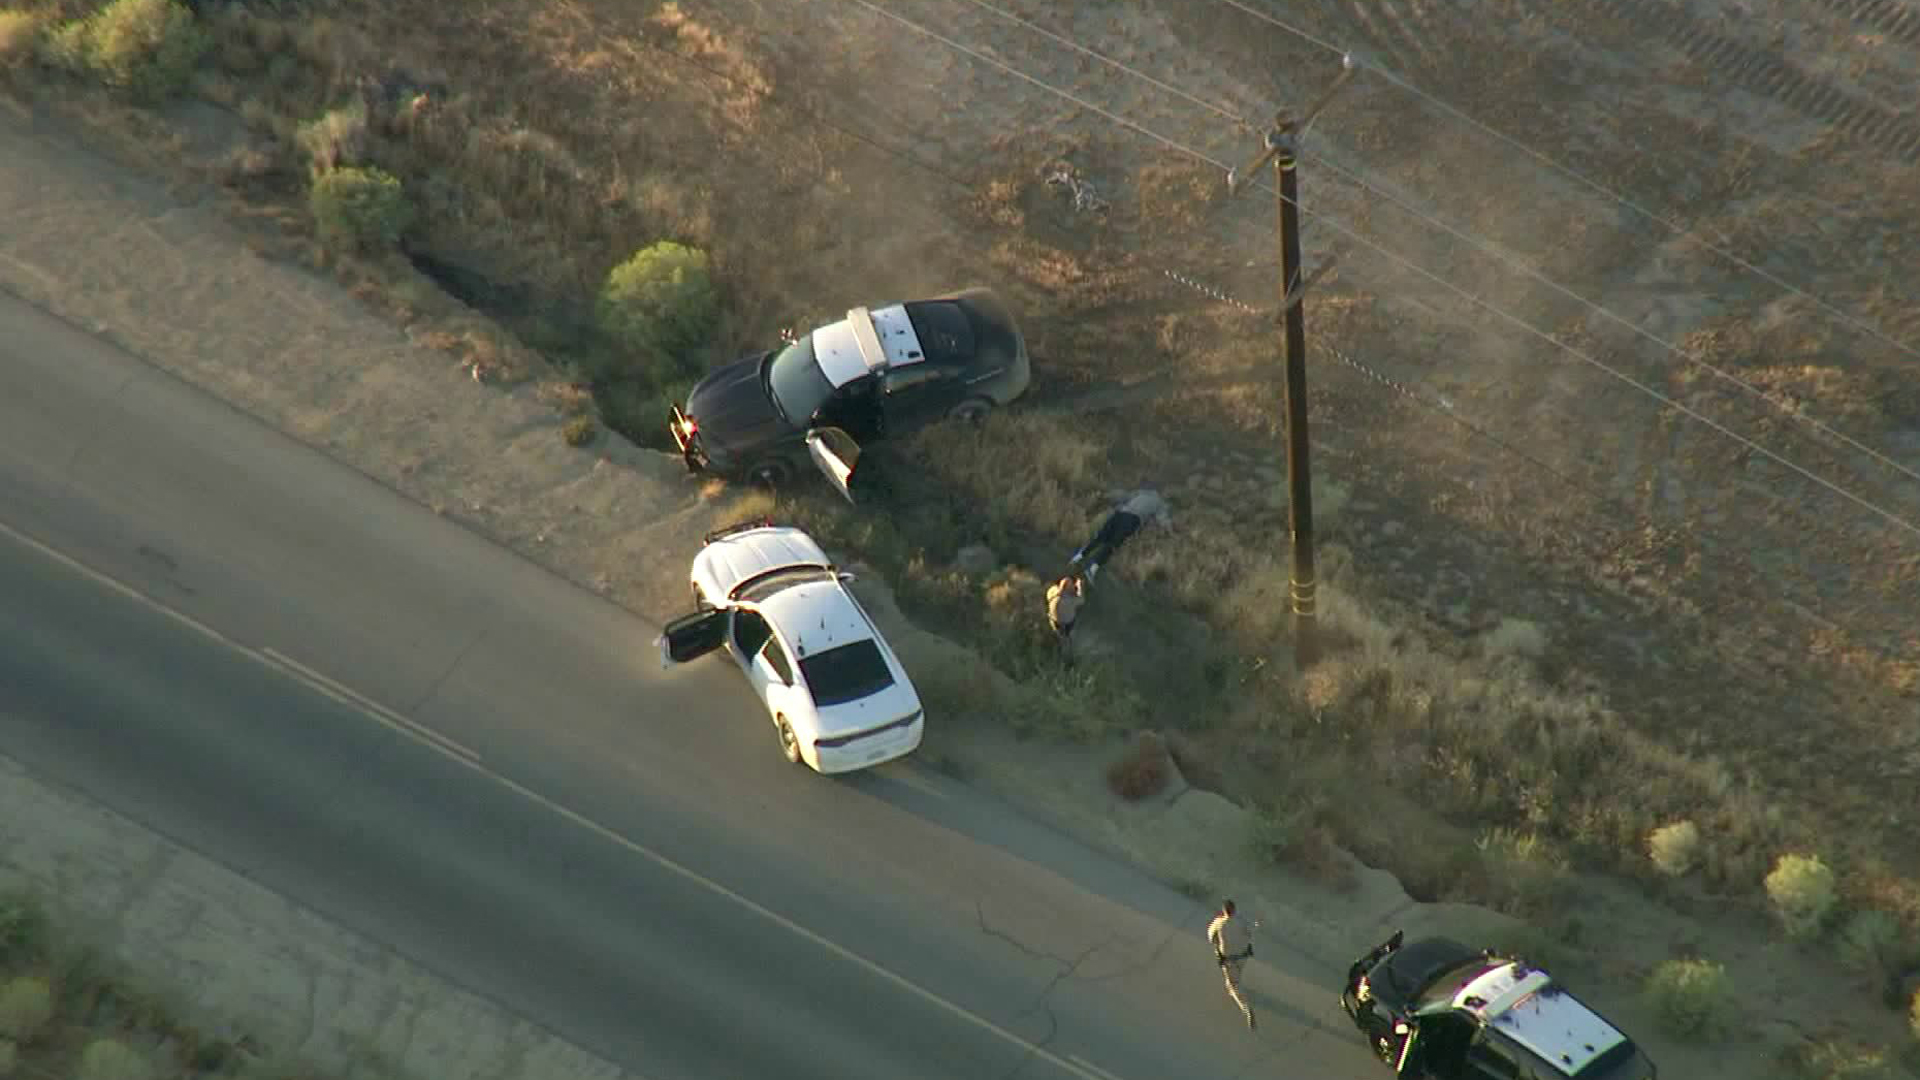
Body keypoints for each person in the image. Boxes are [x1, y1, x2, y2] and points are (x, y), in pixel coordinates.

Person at [1070, 488, 1171, 583]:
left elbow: (1123, 496)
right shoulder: (1160, 504)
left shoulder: (1142, 492)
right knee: (1112, 545)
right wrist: (1169, 530)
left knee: (1100, 537)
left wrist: (1107, 496)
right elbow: (1163, 519)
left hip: (1120, 513)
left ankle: (1078, 557)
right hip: (1132, 520)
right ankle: (1092, 569)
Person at [1206, 898, 1258, 1030]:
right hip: (1243, 956)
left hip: (1229, 959)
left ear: (1224, 911)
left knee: (1232, 986)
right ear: (1234, 910)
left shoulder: (1219, 922)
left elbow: (1211, 937)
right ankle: (1238, 983)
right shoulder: (1242, 920)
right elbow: (1253, 929)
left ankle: (1246, 1009)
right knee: (1238, 974)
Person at [1045, 574, 1083, 659]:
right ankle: (1068, 653)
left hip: (1055, 622)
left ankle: (1058, 647)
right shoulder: (1071, 600)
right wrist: (1079, 586)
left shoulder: (1052, 592)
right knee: (1069, 637)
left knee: (1059, 636)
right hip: (1068, 623)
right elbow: (1081, 599)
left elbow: (1052, 591)